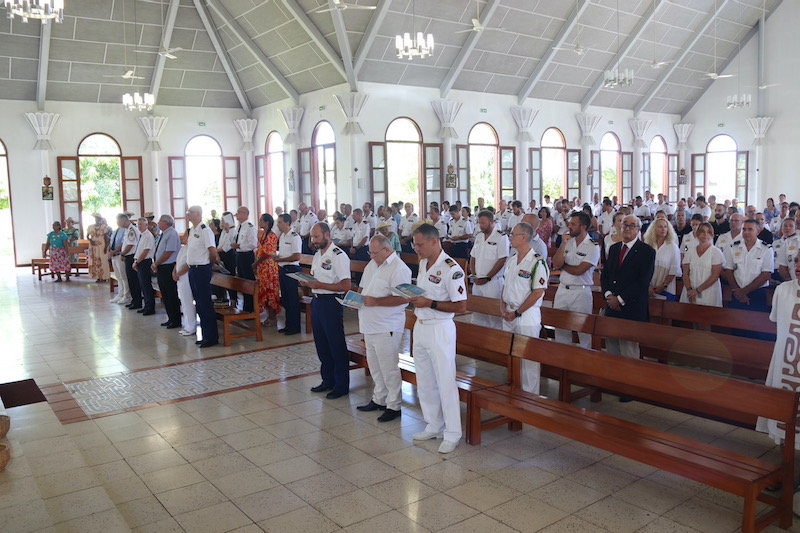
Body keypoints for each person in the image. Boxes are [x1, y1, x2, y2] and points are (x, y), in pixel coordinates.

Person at [407, 223, 467, 454]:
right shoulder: (423, 263)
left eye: (420, 244)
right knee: (425, 380)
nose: (416, 249)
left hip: (440, 329)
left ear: (434, 241)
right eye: (415, 244)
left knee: (445, 381)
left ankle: (452, 433)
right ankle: (434, 424)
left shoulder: (452, 268)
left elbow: (461, 306)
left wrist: (430, 303)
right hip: (420, 325)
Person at [356, 234, 412, 421]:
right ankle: (379, 398)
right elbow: (362, 289)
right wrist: (354, 299)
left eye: (374, 252)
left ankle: (394, 405)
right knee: (375, 366)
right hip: (369, 324)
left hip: (387, 325)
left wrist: (377, 301)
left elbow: (404, 298)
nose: (371, 256)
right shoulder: (372, 264)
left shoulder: (399, 268)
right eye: (369, 252)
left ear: (387, 250)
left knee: (388, 367)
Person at [304, 223, 352, 399]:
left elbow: (346, 285)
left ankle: (341, 385)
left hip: (331, 303)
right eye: (312, 237)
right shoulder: (317, 255)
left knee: (335, 344)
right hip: (317, 301)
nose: (314, 241)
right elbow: (317, 279)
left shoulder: (338, 256)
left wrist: (320, 285)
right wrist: (308, 282)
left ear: (327, 235)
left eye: (316, 237)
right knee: (322, 344)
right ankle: (328, 380)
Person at [756, 257, 800, 447]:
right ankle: (785, 455)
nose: (798, 267)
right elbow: (776, 320)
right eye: (797, 261)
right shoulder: (782, 289)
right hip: (785, 357)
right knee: (783, 408)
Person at [501, 222, 549, 393]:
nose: (510, 237)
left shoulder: (537, 262)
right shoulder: (512, 259)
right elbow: (505, 286)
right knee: (512, 356)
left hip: (526, 315)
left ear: (524, 237)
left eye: (514, 234)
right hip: (509, 312)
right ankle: (515, 389)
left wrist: (517, 312)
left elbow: (537, 292)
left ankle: (530, 396)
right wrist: (503, 307)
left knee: (528, 359)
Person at [600, 216, 656, 361]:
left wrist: (619, 299)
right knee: (611, 350)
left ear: (638, 230)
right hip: (612, 307)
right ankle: (613, 382)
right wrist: (608, 296)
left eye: (633, 226)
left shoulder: (647, 252)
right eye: (625, 224)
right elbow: (605, 275)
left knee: (629, 352)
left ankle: (630, 382)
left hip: (632, 308)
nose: (628, 228)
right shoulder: (613, 249)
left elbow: (642, 282)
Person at [552, 212, 600, 348]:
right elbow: (556, 263)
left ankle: (585, 362)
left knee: (583, 330)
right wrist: (563, 245)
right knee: (560, 328)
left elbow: (579, 270)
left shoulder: (592, 246)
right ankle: (561, 361)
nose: (569, 226)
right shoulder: (568, 241)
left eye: (573, 224)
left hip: (581, 292)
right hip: (562, 289)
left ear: (583, 227)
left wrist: (563, 265)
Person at [723, 219, 774, 314]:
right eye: (744, 229)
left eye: (750, 229)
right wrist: (738, 292)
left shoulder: (766, 249)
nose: (746, 232)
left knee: (756, 325)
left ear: (758, 232)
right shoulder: (733, 247)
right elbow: (728, 270)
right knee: (735, 324)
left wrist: (744, 291)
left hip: (757, 293)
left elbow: (766, 274)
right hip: (736, 291)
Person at [186, 205, 219, 348]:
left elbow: (213, 252)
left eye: (191, 213)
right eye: (188, 213)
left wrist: (208, 266)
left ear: (198, 214)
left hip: (202, 269)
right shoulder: (193, 230)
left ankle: (211, 337)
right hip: (193, 269)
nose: (188, 215)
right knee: (198, 303)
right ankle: (205, 335)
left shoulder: (205, 231)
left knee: (205, 303)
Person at [680, 222, 725, 307]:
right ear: (697, 233)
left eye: (708, 232)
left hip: (709, 291)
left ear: (712, 235)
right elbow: (685, 273)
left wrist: (697, 291)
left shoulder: (716, 252)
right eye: (702, 231)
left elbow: (715, 276)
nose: (705, 234)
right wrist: (690, 290)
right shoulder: (690, 251)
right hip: (690, 289)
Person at [469, 210, 509, 299]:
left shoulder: (501, 237)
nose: (481, 226)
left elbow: (502, 259)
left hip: (493, 282)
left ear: (491, 222)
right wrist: (474, 275)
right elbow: (473, 256)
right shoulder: (479, 236)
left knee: (492, 311)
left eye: (484, 223)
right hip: (478, 281)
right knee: (477, 311)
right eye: (480, 223)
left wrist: (488, 277)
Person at [275, 213, 302, 335]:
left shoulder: (294, 236)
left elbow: (296, 256)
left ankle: (295, 327)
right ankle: (288, 324)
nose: (278, 224)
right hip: (283, 269)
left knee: (292, 299)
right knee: (285, 299)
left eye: (280, 222)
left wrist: (280, 260)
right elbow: (283, 254)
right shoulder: (282, 236)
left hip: (291, 269)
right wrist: (277, 257)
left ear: (287, 223)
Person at [152, 214, 181, 328]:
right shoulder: (163, 233)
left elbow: (169, 252)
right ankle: (170, 318)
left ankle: (176, 320)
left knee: (171, 293)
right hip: (161, 266)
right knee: (165, 294)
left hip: (168, 266)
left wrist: (156, 263)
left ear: (166, 222)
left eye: (160, 221)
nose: (158, 223)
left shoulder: (172, 233)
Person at [643, 218, 682, 301]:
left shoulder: (672, 247)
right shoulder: (647, 245)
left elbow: (674, 270)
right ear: (654, 229)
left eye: (665, 227)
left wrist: (663, 286)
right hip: (647, 288)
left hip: (666, 288)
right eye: (660, 227)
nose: (663, 229)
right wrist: (648, 286)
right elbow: (642, 268)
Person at [253, 213, 280, 326]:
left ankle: (272, 317)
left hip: (269, 267)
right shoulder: (264, 234)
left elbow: (267, 253)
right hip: (263, 267)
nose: (259, 222)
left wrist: (256, 263)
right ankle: (269, 315)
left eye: (261, 221)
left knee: (270, 292)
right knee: (264, 291)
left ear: (267, 222)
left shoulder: (272, 236)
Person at [231, 206, 258, 312]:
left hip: (247, 256)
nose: (237, 214)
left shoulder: (250, 227)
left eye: (239, 212)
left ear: (245, 214)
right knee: (242, 280)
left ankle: (250, 307)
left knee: (248, 281)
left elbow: (252, 244)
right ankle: (245, 306)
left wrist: (240, 246)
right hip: (239, 256)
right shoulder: (239, 227)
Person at [172, 231, 196, 337]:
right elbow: (178, 262)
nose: (183, 237)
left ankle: (191, 326)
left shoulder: (192, 248)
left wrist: (178, 273)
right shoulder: (183, 248)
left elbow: (188, 264)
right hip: (179, 277)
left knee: (188, 301)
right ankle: (186, 325)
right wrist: (174, 272)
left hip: (185, 277)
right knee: (183, 301)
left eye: (185, 235)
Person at [132, 217, 156, 316]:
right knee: (142, 285)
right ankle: (146, 306)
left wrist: (137, 262)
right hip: (140, 261)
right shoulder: (142, 235)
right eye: (138, 224)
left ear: (146, 225)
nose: (139, 226)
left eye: (141, 224)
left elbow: (146, 251)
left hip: (145, 262)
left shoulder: (148, 236)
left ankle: (150, 307)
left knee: (146, 285)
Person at [109, 214, 132, 304]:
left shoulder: (126, 231)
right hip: (114, 256)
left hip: (120, 255)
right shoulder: (115, 231)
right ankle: (120, 294)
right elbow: (112, 242)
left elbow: (124, 244)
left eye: (118, 220)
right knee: (118, 276)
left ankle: (127, 295)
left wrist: (115, 252)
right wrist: (110, 251)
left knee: (124, 276)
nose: (117, 222)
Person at [121, 214, 142, 310]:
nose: (118, 224)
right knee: (130, 280)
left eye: (119, 221)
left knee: (133, 280)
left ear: (124, 221)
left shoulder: (132, 230)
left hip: (131, 256)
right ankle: (134, 300)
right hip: (128, 256)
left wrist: (122, 254)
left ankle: (137, 302)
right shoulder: (127, 230)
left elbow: (130, 245)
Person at [216, 212, 237, 304]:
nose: (222, 222)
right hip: (221, 256)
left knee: (230, 278)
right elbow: (220, 245)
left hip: (229, 256)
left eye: (224, 220)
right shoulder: (223, 231)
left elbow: (227, 247)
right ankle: (225, 298)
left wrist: (217, 251)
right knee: (224, 279)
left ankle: (233, 300)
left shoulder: (233, 231)